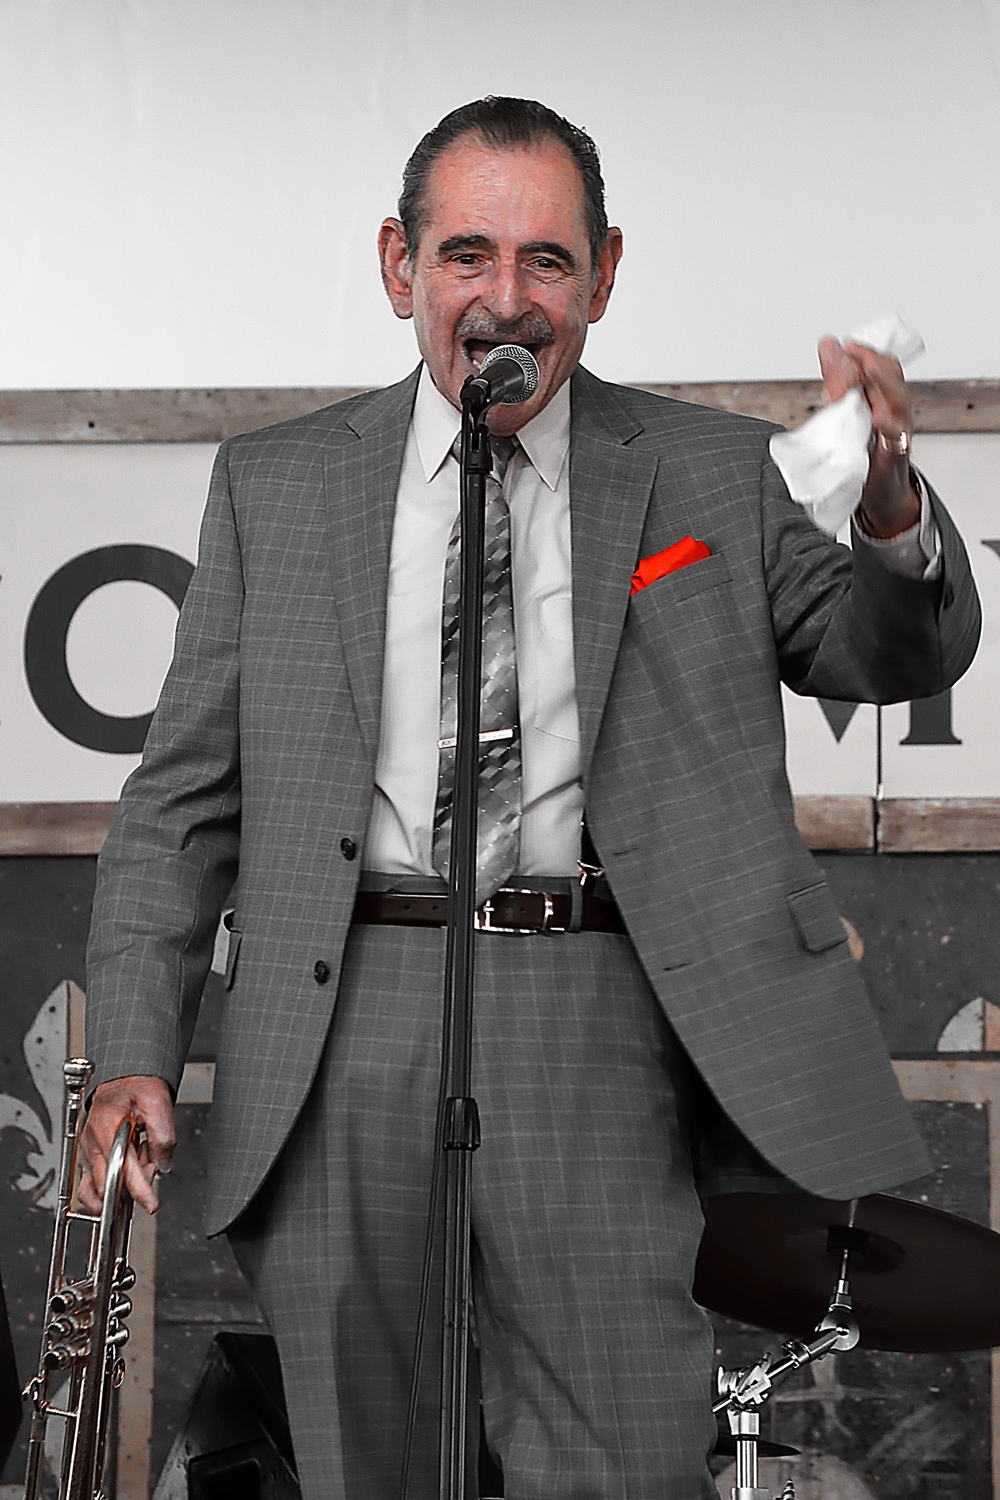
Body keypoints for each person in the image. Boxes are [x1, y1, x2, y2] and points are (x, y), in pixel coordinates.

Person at [79, 97, 980, 1499]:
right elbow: (180, 800)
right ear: (400, 267)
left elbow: (891, 654)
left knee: (620, 1463)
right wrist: (135, 1044)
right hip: (343, 1018)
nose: (507, 298)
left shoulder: (711, 473)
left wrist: (887, 506)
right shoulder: (278, 484)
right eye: (467, 254)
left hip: (598, 1018)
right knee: (362, 1466)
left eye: (547, 260)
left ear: (604, 276)